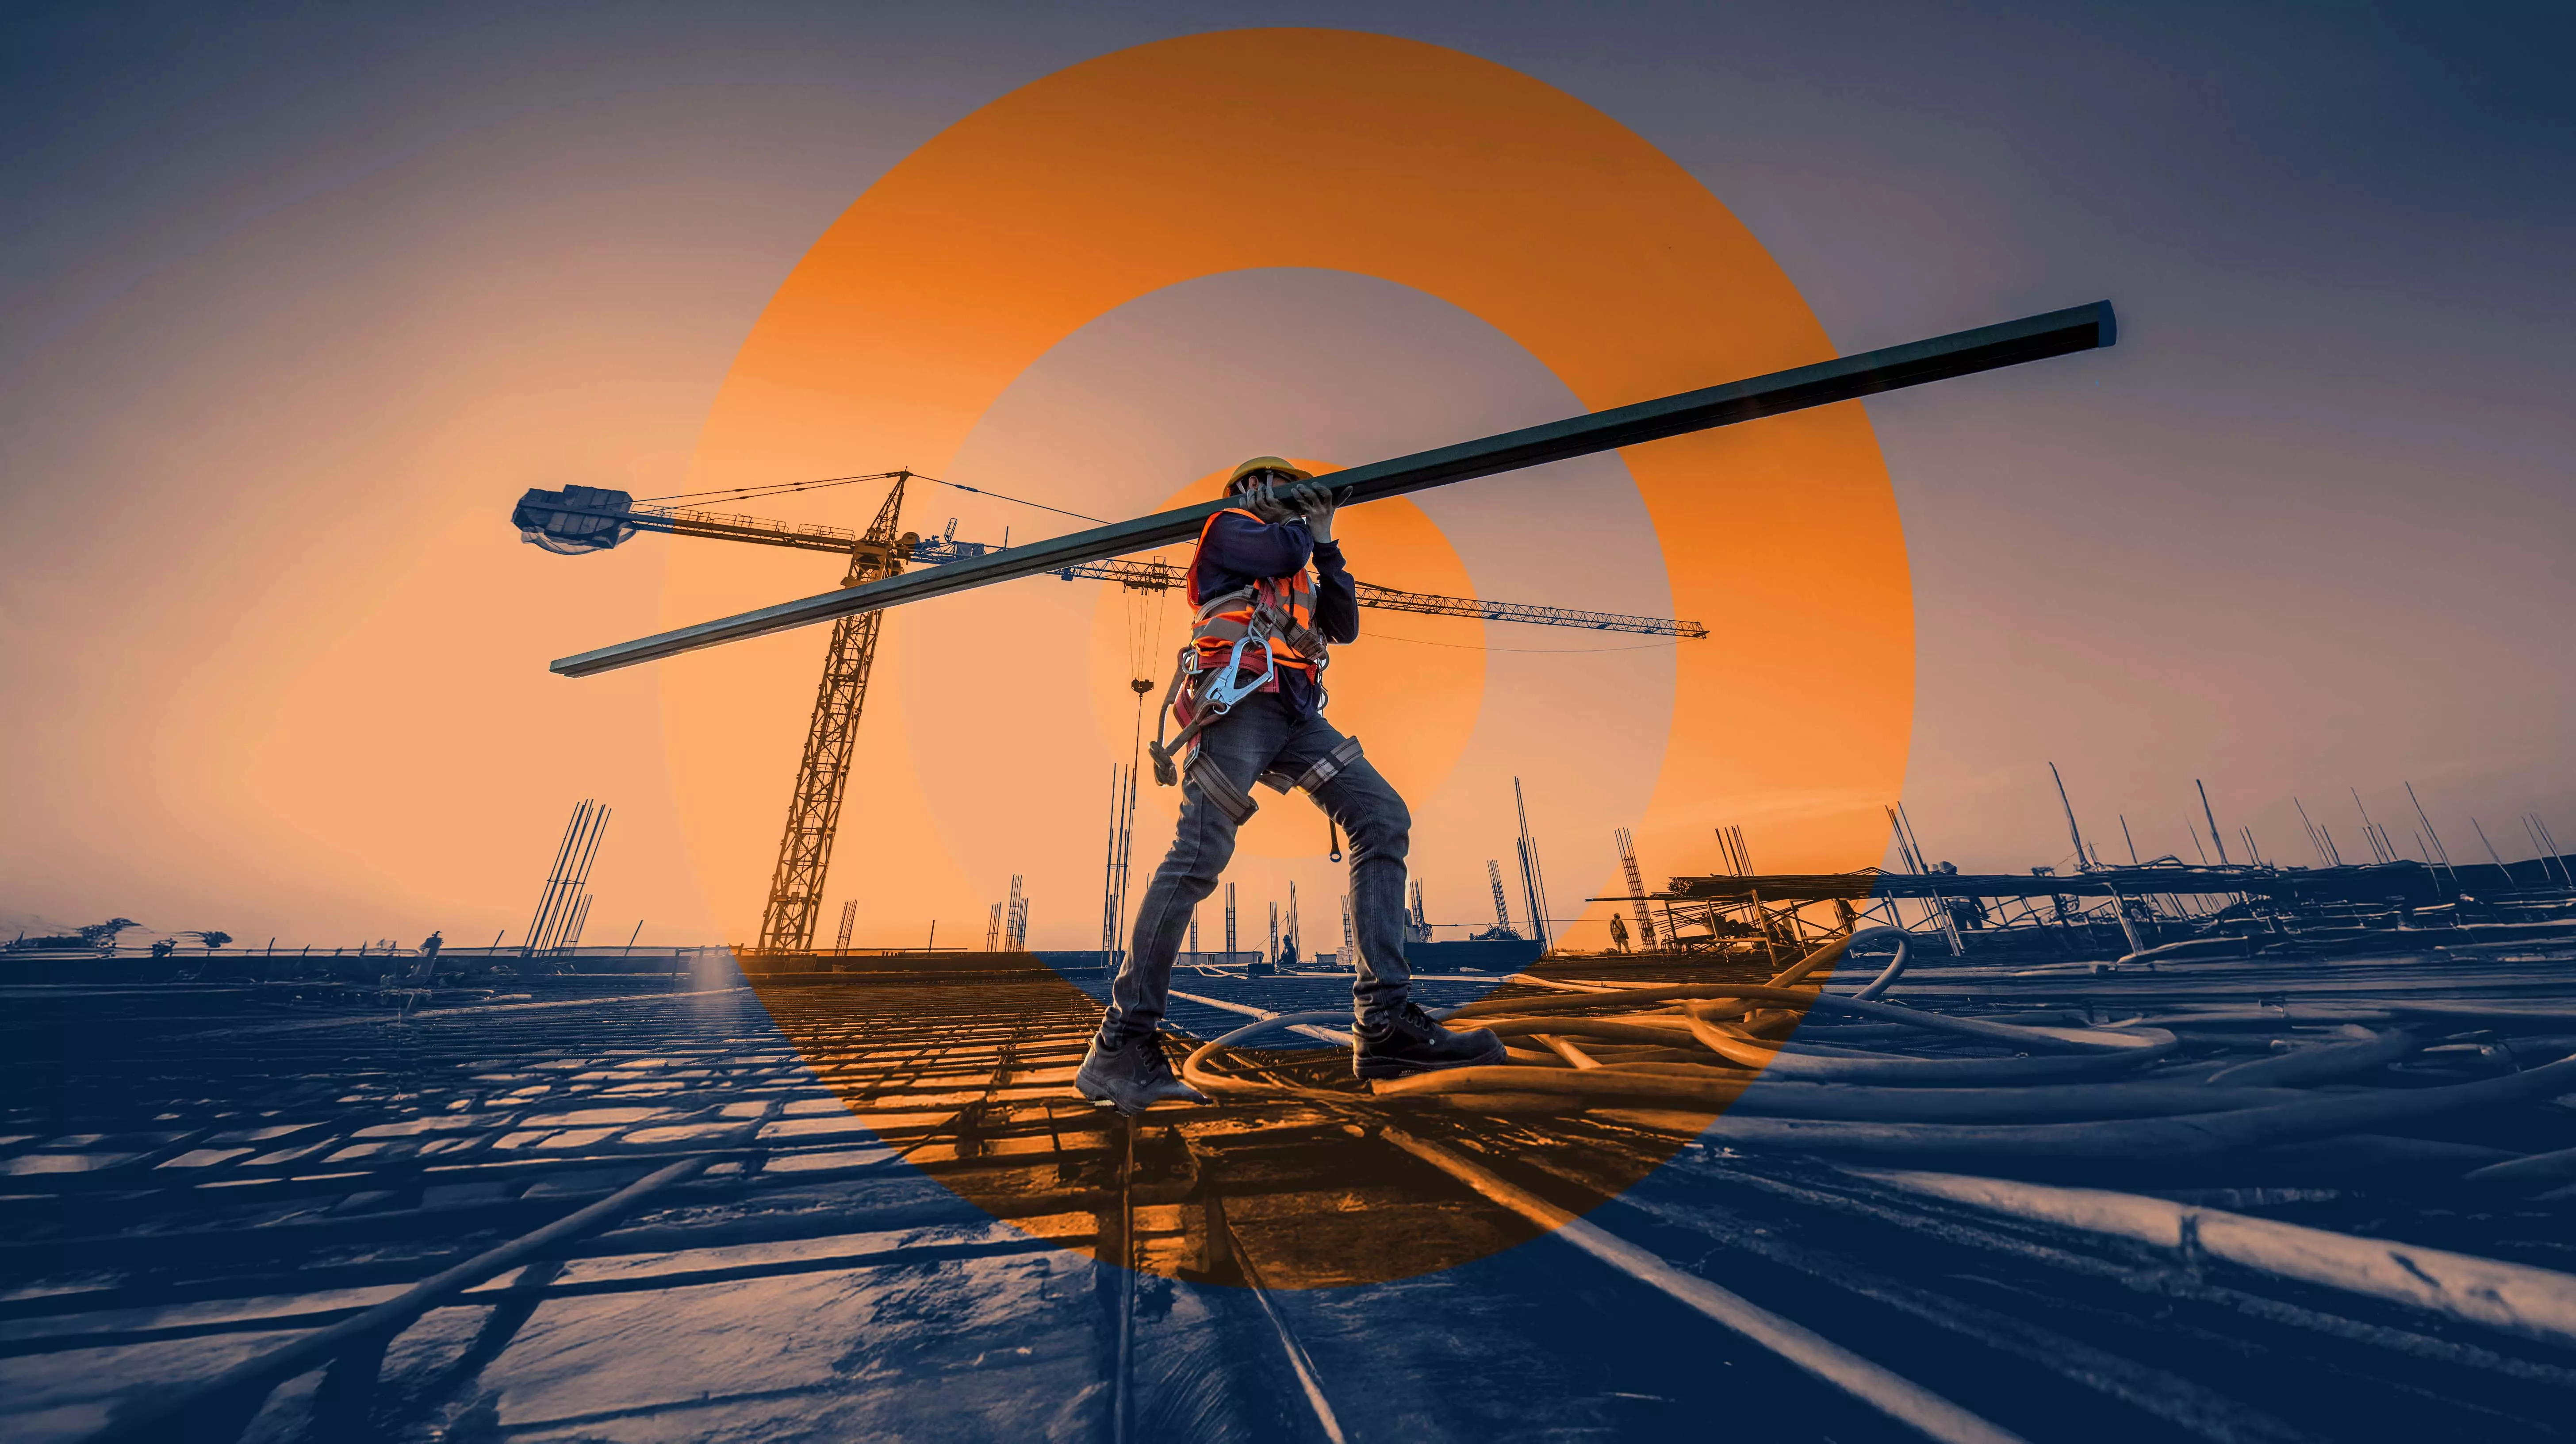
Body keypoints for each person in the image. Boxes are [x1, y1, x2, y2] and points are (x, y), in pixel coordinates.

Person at [1075, 458, 1505, 1114]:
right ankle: (1121, 1044)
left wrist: (1330, 543)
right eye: (1271, 482)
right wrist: (1302, 522)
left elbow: (1345, 623)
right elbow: (1281, 543)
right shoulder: (1228, 530)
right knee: (1198, 856)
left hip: (1295, 714)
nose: (1284, 495)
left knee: (1381, 817)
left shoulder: (1301, 558)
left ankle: (1384, 1024)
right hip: (1236, 703)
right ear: (1248, 491)